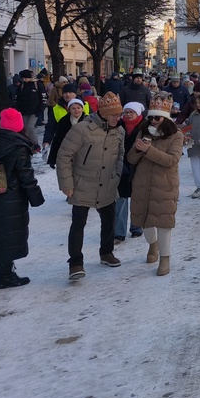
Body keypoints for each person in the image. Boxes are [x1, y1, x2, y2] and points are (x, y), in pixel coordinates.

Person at [0, 108, 45, 288]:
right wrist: (36, 198)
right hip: (10, 199)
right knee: (7, 236)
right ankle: (6, 276)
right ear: (19, 125)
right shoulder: (18, 147)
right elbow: (26, 176)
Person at [55, 91, 125, 280]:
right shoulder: (82, 129)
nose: (118, 118)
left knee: (109, 220)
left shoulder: (119, 130)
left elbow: (120, 155)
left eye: (119, 115)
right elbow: (64, 156)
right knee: (78, 223)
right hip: (83, 183)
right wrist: (67, 183)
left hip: (108, 182)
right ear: (103, 112)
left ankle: (106, 252)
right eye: (114, 115)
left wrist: (116, 175)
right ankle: (76, 263)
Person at [128, 96, 185, 276]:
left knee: (163, 223)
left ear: (165, 118)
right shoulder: (143, 132)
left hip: (165, 184)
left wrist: (149, 151)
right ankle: (153, 244)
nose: (153, 121)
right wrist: (137, 150)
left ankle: (165, 258)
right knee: (144, 222)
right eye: (150, 117)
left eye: (157, 118)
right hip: (142, 184)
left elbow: (172, 160)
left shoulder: (176, 135)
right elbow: (130, 159)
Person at [116, 102, 145, 241]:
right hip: (121, 164)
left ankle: (136, 226)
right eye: (126, 112)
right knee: (121, 197)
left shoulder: (144, 126)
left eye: (131, 112)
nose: (128, 114)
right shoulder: (118, 124)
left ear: (138, 113)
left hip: (139, 164)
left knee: (137, 197)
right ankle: (119, 231)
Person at [48, 97, 87, 169]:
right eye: (73, 108)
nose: (76, 110)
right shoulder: (63, 121)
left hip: (85, 155)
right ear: (69, 110)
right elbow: (57, 140)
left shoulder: (88, 121)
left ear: (82, 108)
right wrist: (52, 159)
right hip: (68, 154)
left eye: (78, 108)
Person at [14, 69, 43, 151]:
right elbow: (18, 98)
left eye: (26, 78)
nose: (24, 80)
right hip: (24, 110)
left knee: (30, 127)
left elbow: (43, 97)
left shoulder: (37, 84)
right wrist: (18, 108)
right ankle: (27, 142)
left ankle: (35, 144)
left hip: (35, 110)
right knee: (25, 128)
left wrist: (40, 109)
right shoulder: (21, 86)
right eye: (23, 78)